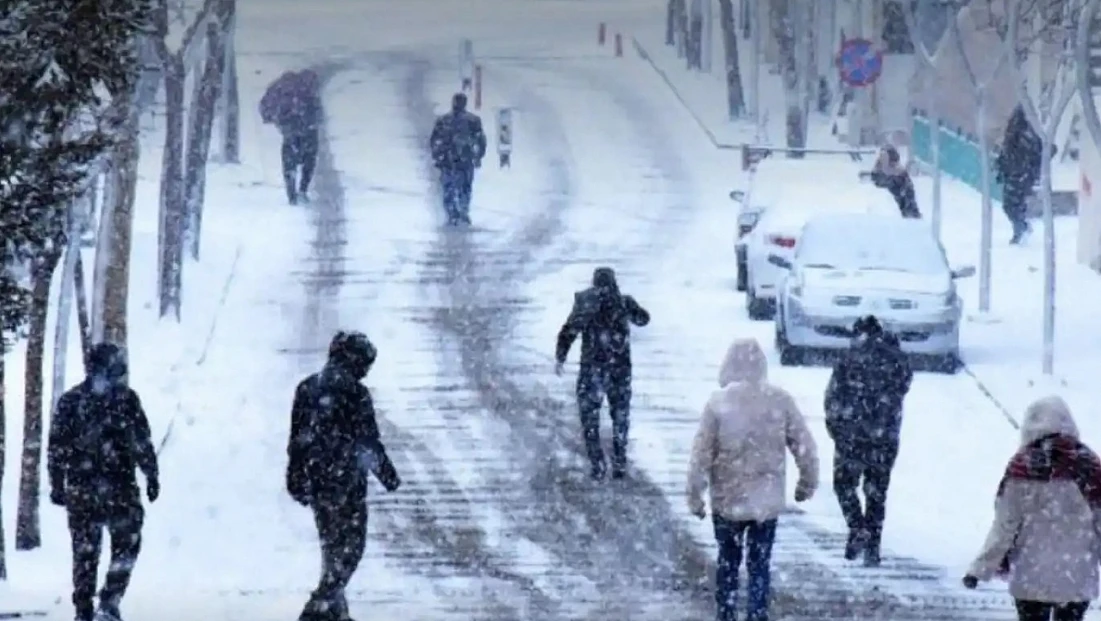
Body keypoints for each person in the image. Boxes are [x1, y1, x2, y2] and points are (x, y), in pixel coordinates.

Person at [687, 338, 818, 621]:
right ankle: (757, 613)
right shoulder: (780, 401)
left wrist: (695, 493)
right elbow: (804, 444)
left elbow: (702, 452)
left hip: (727, 499)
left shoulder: (718, 404)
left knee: (728, 562)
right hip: (765, 502)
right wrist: (807, 481)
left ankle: (726, 612)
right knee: (759, 564)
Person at [286, 330, 402, 621]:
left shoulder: (306, 388)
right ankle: (319, 609)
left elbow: (297, 440)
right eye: (365, 364)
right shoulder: (356, 394)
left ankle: (337, 612)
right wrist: (387, 475)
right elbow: (368, 442)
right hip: (347, 483)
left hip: (318, 483)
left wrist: (296, 475)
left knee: (332, 547)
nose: (366, 371)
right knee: (351, 548)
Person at [47, 343, 159, 621]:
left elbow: (56, 447)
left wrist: (58, 483)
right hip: (119, 488)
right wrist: (151, 474)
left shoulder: (71, 401)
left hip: (82, 489)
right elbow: (141, 440)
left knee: (85, 551)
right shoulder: (126, 399)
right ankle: (109, 601)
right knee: (127, 543)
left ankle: (85, 609)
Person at [964, 396, 1101, 621]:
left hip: (1031, 575)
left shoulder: (1021, 467)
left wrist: (979, 569)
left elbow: (1004, 527)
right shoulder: (1088, 465)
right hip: (1077, 575)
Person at [823, 315, 912, 567]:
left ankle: (857, 525)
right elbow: (903, 385)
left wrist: (836, 428)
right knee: (877, 492)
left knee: (844, 485)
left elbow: (832, 397)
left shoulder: (848, 360)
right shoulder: (896, 362)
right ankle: (873, 547)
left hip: (851, 435)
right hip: (885, 437)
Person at [554, 267, 650, 480]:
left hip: (592, 368)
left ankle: (597, 461)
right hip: (620, 368)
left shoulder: (586, 304)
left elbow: (569, 330)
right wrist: (629, 309)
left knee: (589, 417)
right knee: (620, 414)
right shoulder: (623, 303)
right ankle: (619, 459)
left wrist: (561, 356)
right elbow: (644, 319)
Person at [261, 69, 322, 205]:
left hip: (289, 129)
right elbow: (317, 109)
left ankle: (291, 194)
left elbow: (265, 106)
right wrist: (315, 122)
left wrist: (273, 119)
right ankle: (303, 189)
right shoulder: (307, 88)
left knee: (289, 162)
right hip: (308, 128)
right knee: (309, 160)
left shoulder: (279, 87)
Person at [429, 92, 486, 226]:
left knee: (448, 187)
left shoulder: (443, 121)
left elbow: (434, 140)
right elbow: (481, 140)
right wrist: (478, 156)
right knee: (465, 187)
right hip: (465, 160)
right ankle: (462, 211)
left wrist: (437, 156)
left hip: (447, 161)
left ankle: (452, 214)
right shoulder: (473, 121)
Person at [996, 106, 1043, 244]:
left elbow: (1031, 156)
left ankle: (1021, 229)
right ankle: (1021, 228)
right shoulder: (1015, 136)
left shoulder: (1024, 137)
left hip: (1020, 175)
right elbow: (1006, 154)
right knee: (1012, 205)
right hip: (1017, 175)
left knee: (1013, 205)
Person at [869, 145, 921, 219]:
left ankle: (909, 209)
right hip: (881, 177)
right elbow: (886, 170)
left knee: (903, 189)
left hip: (886, 177)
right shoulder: (885, 154)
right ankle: (910, 210)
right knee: (902, 188)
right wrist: (899, 172)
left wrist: (900, 172)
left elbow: (894, 168)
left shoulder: (891, 153)